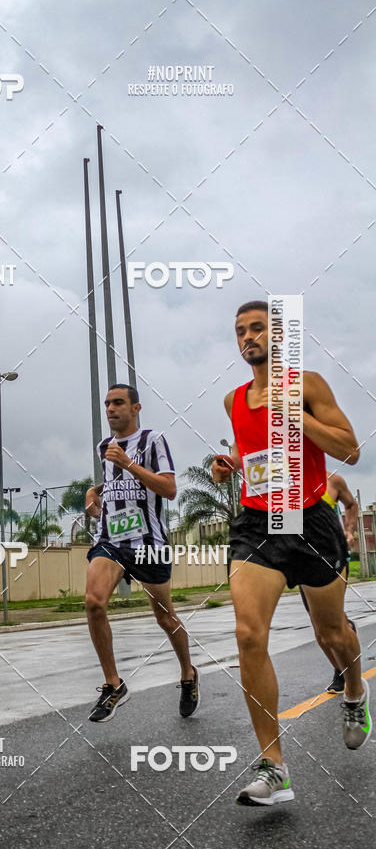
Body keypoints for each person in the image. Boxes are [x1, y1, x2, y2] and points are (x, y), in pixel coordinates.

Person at [212, 301, 371, 807]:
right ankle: (274, 767)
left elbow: (350, 449)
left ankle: (354, 691)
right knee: (247, 633)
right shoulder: (233, 400)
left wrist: (295, 417)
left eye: (258, 328)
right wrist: (229, 466)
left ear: (278, 337)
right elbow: (252, 455)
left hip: (309, 522)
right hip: (257, 524)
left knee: (332, 633)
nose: (248, 337)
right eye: (241, 331)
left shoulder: (309, 385)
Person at [84, 384, 198, 723]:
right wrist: (93, 494)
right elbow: (112, 483)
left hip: (148, 543)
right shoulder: (104, 446)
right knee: (93, 602)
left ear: (136, 408)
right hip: (111, 541)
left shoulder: (153, 441)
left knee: (165, 617)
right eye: (107, 404)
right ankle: (113, 684)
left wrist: (130, 463)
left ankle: (188, 673)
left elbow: (169, 489)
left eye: (118, 403)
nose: (110, 409)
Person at [299, 473, 358, 693]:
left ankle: (346, 675)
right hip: (303, 560)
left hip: (333, 556)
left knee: (330, 622)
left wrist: (348, 532)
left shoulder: (332, 480)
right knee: (319, 626)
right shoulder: (287, 486)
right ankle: (340, 666)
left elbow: (351, 505)